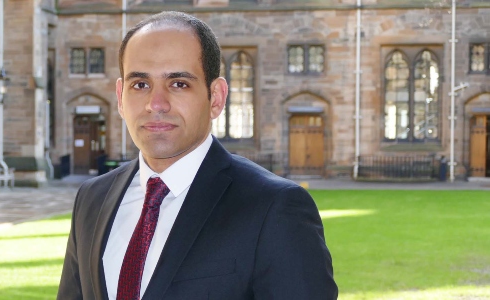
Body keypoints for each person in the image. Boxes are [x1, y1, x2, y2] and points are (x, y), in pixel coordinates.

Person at [58, 11, 337, 300]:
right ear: (120, 97)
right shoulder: (92, 198)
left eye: (179, 83)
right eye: (140, 84)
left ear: (215, 97)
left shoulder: (274, 208)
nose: (156, 104)